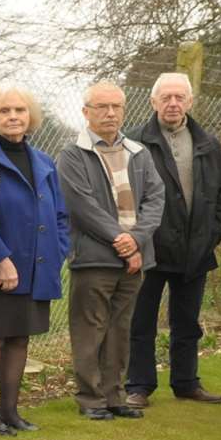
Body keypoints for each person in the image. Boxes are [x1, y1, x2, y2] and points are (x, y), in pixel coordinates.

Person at [123, 72, 221, 408]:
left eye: (179, 97)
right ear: (153, 102)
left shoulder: (208, 144)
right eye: (166, 98)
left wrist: (212, 234)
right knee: (141, 321)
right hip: (150, 248)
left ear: (190, 101)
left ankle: (186, 382)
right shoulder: (135, 141)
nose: (173, 103)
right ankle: (139, 385)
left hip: (195, 249)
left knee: (187, 322)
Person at [56, 81, 164, 420]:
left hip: (135, 258)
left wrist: (138, 240)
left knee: (120, 329)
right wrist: (122, 240)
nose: (110, 113)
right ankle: (91, 399)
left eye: (116, 106)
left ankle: (116, 395)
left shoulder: (139, 152)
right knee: (90, 330)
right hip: (94, 258)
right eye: (102, 107)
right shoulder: (73, 154)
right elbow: (82, 206)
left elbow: (155, 199)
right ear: (86, 112)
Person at [0, 84, 71, 435]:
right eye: (4, 111)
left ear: (31, 117)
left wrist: (57, 251)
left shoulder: (44, 161)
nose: (13, 117)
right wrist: (0, 258)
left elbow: (60, 215)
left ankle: (11, 412)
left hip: (37, 266)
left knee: (19, 339)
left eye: (20, 111)